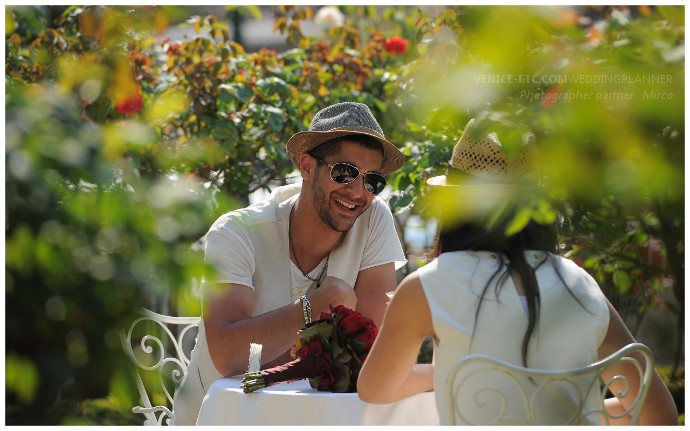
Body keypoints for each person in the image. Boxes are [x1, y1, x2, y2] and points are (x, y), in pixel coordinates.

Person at [357, 119, 678, 425]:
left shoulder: (427, 286)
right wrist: (578, 415)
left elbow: (375, 388)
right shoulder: (581, 286)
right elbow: (659, 414)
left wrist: (440, 376)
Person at [173, 102, 407, 425]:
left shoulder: (374, 219)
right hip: (224, 419)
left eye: (373, 181)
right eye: (345, 172)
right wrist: (312, 308)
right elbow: (228, 356)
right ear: (307, 167)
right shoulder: (236, 233)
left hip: (318, 419)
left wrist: (281, 344)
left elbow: (368, 352)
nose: (357, 192)